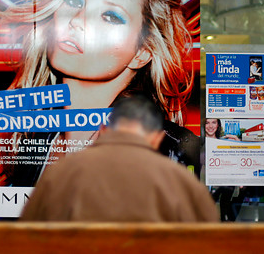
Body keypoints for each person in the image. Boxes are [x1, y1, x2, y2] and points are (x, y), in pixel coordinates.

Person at [0, 0, 199, 186]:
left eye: (110, 16)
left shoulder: (171, 151)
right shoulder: (33, 139)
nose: (77, 21)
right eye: (74, 1)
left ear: (142, 53)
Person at [20, 95, 218, 222]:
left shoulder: (62, 172)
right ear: (157, 137)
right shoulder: (180, 180)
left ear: (104, 130)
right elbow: (204, 238)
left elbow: (31, 232)